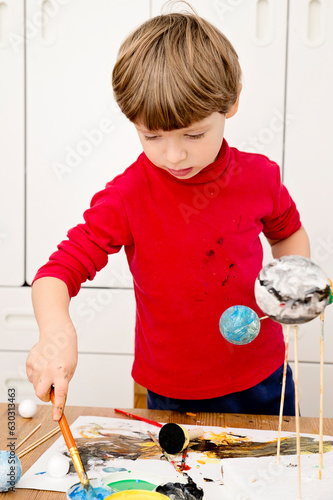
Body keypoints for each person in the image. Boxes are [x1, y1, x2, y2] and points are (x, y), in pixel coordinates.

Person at [26, 7, 310, 421]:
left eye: (194, 134)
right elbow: (56, 273)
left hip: (264, 378)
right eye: (152, 136)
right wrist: (55, 331)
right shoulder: (128, 196)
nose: (174, 155)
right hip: (170, 393)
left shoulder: (260, 177)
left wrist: (293, 280)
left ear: (231, 103)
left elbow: (288, 235)